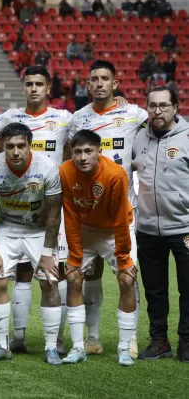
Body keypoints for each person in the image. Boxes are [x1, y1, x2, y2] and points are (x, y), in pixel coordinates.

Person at [67, 60, 147, 358]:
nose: (99, 83)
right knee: (89, 274)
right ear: (88, 85)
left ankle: (131, 338)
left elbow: (160, 120)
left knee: (128, 275)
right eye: (94, 79)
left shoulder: (133, 113)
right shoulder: (78, 118)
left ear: (115, 83)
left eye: (105, 79)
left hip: (120, 214)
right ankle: (92, 338)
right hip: (87, 216)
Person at [0, 66, 73, 353]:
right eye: (29, 84)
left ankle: (59, 339)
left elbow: (75, 148)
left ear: (48, 87)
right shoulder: (7, 119)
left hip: (51, 210)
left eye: (39, 84)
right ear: (23, 87)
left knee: (56, 273)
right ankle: (18, 337)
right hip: (15, 212)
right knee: (21, 274)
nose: (34, 89)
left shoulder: (64, 119)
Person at [0, 123, 63, 365]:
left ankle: (50, 347)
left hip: (39, 231)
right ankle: (1, 345)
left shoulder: (46, 167)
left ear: (29, 145)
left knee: (49, 282)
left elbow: (55, 213)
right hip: (7, 229)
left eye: (21, 146)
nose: (15, 152)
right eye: (10, 147)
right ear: (3, 146)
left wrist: (47, 253)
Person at [60, 129, 137, 366]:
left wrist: (123, 256)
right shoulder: (65, 171)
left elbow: (120, 219)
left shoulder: (115, 174)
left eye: (88, 151)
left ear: (99, 151)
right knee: (73, 277)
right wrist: (74, 256)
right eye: (78, 152)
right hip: (84, 229)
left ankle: (124, 347)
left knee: (126, 280)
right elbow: (70, 215)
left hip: (114, 231)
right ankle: (77, 347)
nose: (83, 157)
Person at [131, 86, 189, 362]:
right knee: (154, 290)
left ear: (176, 108)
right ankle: (159, 341)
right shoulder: (139, 137)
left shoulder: (188, 137)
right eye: (152, 106)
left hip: (185, 228)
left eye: (164, 105)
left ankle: (187, 342)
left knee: (188, 288)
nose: (157, 111)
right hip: (147, 229)